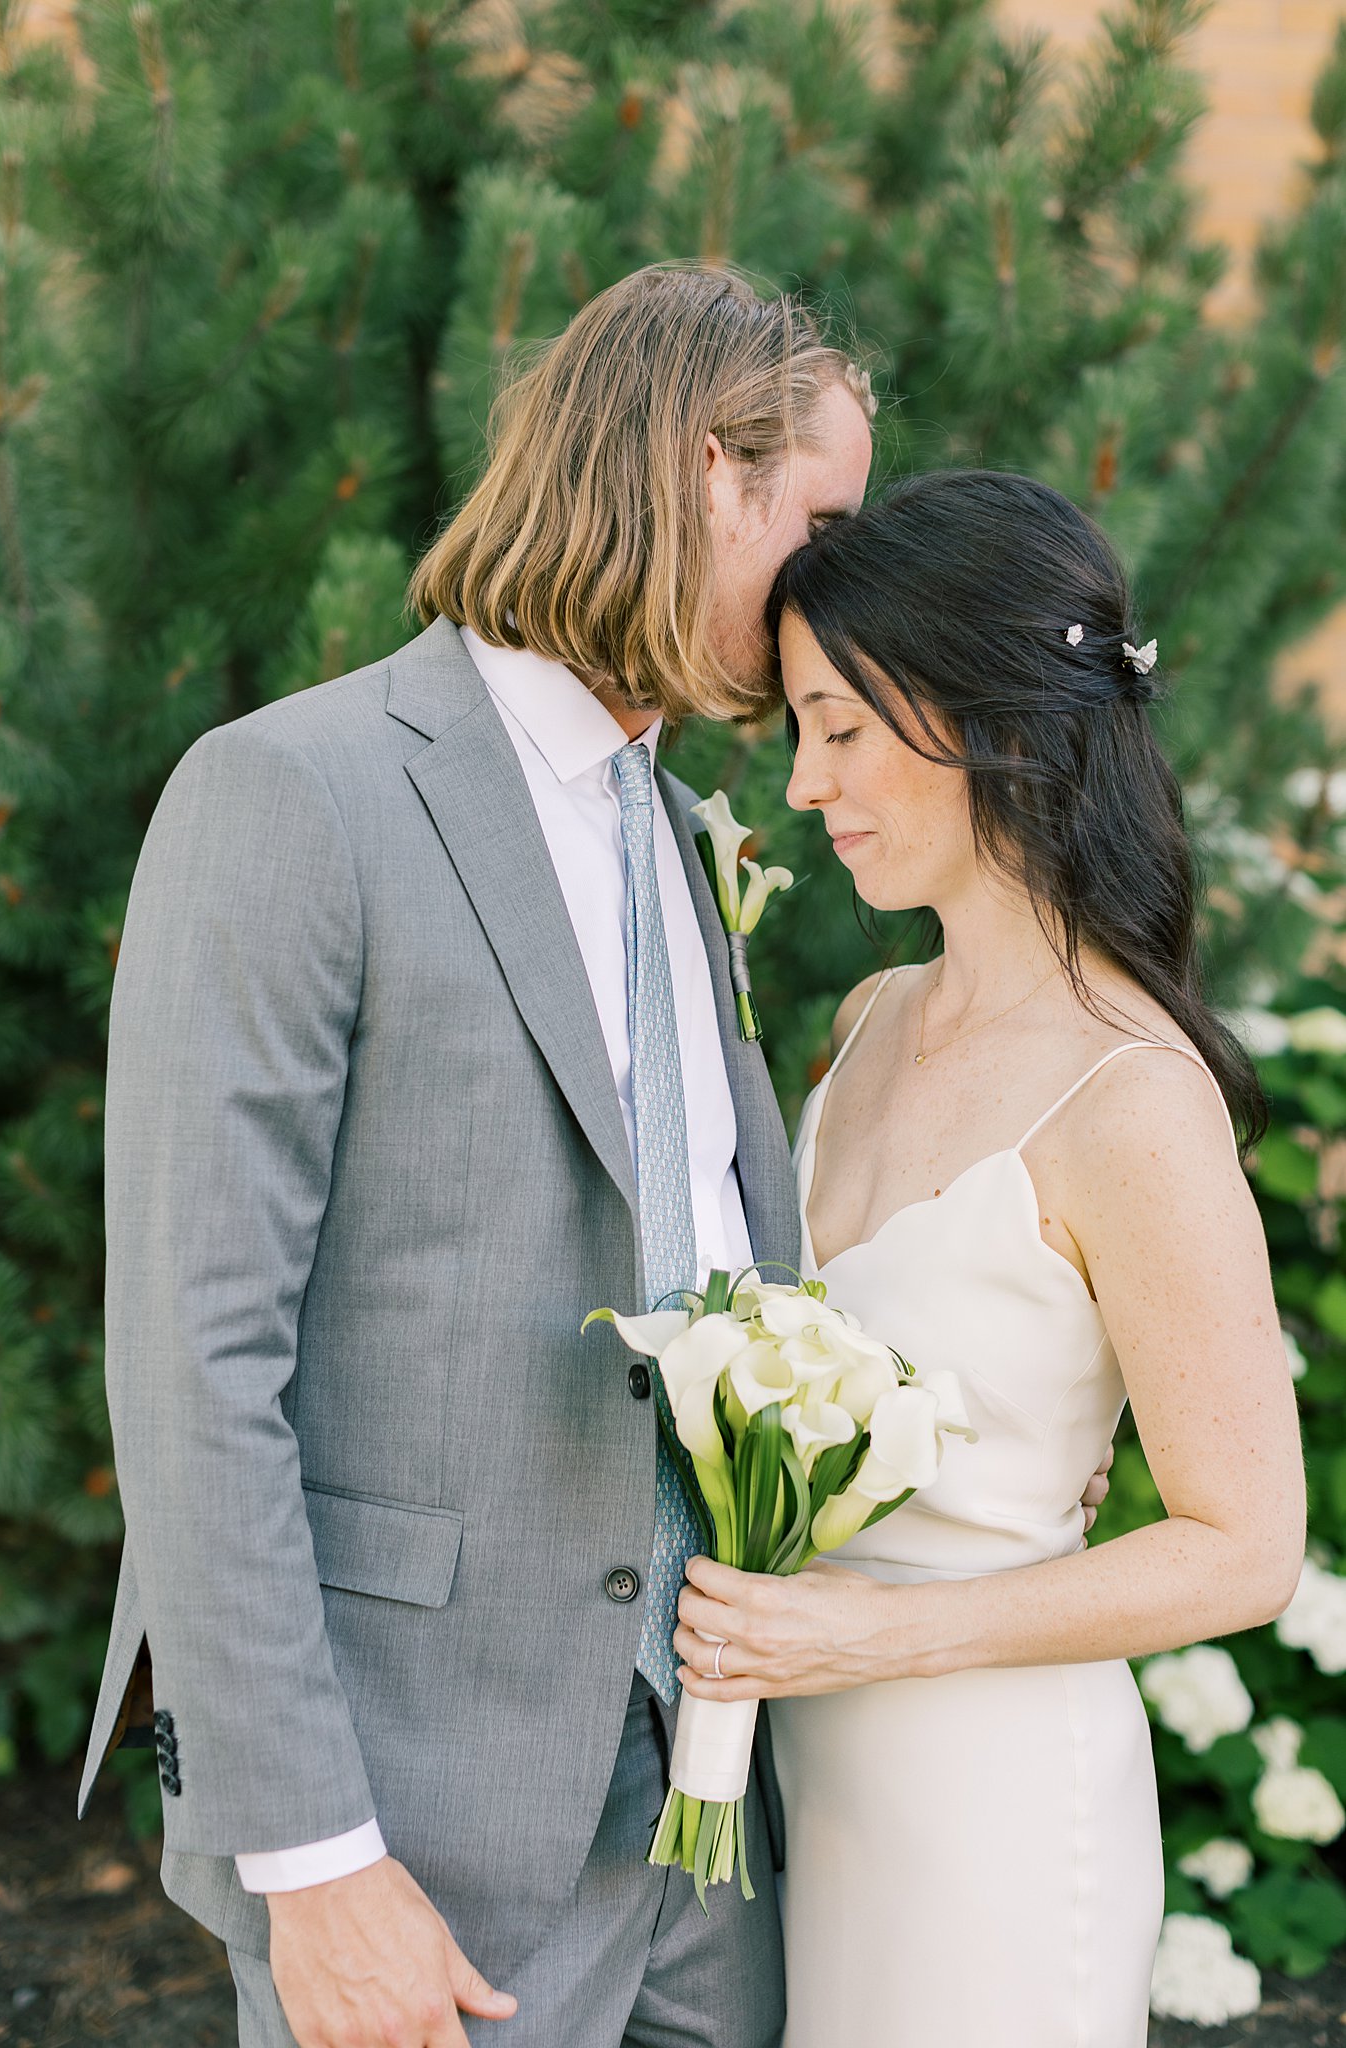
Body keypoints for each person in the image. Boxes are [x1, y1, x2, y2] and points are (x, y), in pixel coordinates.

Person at [77, 262, 877, 2048]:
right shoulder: (295, 792)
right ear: (700, 471)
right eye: (819, 519)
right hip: (413, 1829)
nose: (843, 580)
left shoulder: (683, 833)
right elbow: (195, 1355)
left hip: (706, 1826)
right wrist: (311, 1856)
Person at [670, 470, 1307, 2048]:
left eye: (840, 728)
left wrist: (875, 1633)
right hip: (809, 1787)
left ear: (994, 724)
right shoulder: (866, 1023)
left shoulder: (1132, 1099)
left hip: (996, 1810)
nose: (807, 787)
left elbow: (1244, 1545)